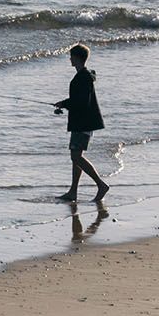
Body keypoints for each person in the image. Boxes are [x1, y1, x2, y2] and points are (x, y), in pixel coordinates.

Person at [50, 44, 109, 205]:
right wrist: (65, 104)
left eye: (71, 56)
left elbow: (81, 102)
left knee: (76, 156)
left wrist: (64, 103)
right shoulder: (84, 75)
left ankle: (101, 185)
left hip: (83, 122)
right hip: (82, 121)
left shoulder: (83, 77)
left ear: (77, 58)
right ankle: (73, 191)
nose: (70, 59)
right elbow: (80, 101)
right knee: (76, 157)